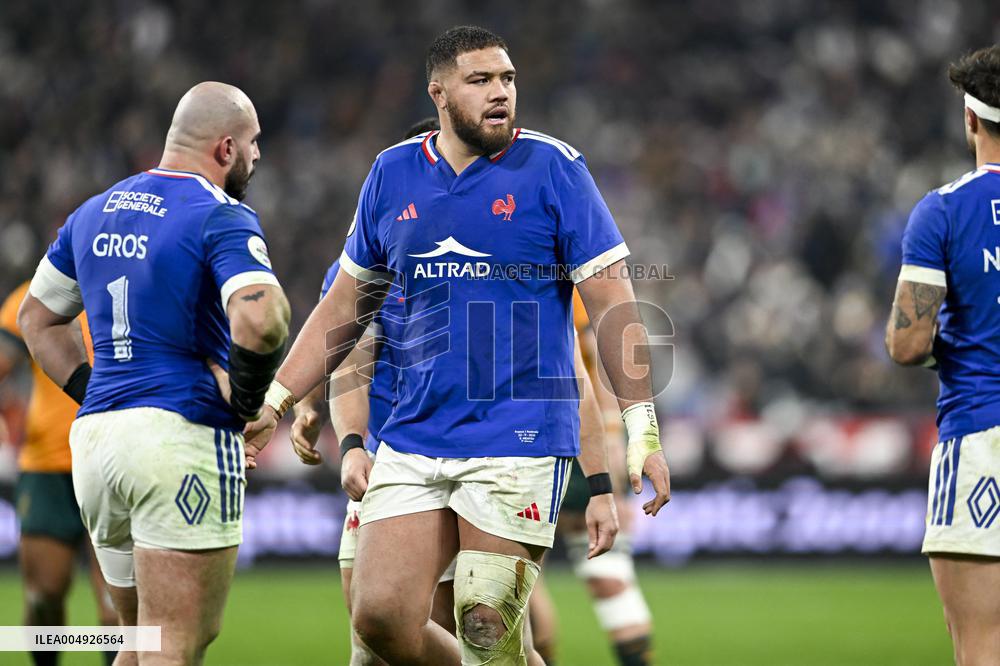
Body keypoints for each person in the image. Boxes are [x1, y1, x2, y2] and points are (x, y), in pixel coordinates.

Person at [247, 26, 670, 665]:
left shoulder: (555, 168)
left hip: (518, 437)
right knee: (379, 619)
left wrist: (643, 431)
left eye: (508, 80)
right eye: (482, 81)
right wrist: (277, 400)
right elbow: (344, 308)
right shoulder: (391, 174)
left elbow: (613, 302)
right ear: (439, 93)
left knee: (485, 625)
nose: (501, 94)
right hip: (414, 437)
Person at [17, 81, 290, 666]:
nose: (258, 155)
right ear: (224, 149)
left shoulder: (93, 212)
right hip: (178, 437)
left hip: (95, 442)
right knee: (175, 643)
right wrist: (245, 404)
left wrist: (101, 392)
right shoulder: (222, 215)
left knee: (136, 639)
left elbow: (35, 319)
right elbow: (264, 320)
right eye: (252, 142)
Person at [885, 44, 1000, 666]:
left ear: (971, 120)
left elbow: (907, 343)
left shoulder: (945, 211)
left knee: (981, 649)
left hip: (983, 434)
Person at [529, 290, 655, 666]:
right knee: (521, 583)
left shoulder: (561, 287)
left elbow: (595, 357)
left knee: (608, 576)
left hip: (577, 440)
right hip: (520, 444)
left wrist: (614, 436)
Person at [0, 283, 118, 666]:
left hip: (115, 461)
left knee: (117, 609)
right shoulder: (35, 295)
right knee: (45, 597)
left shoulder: (134, 280)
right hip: (49, 467)